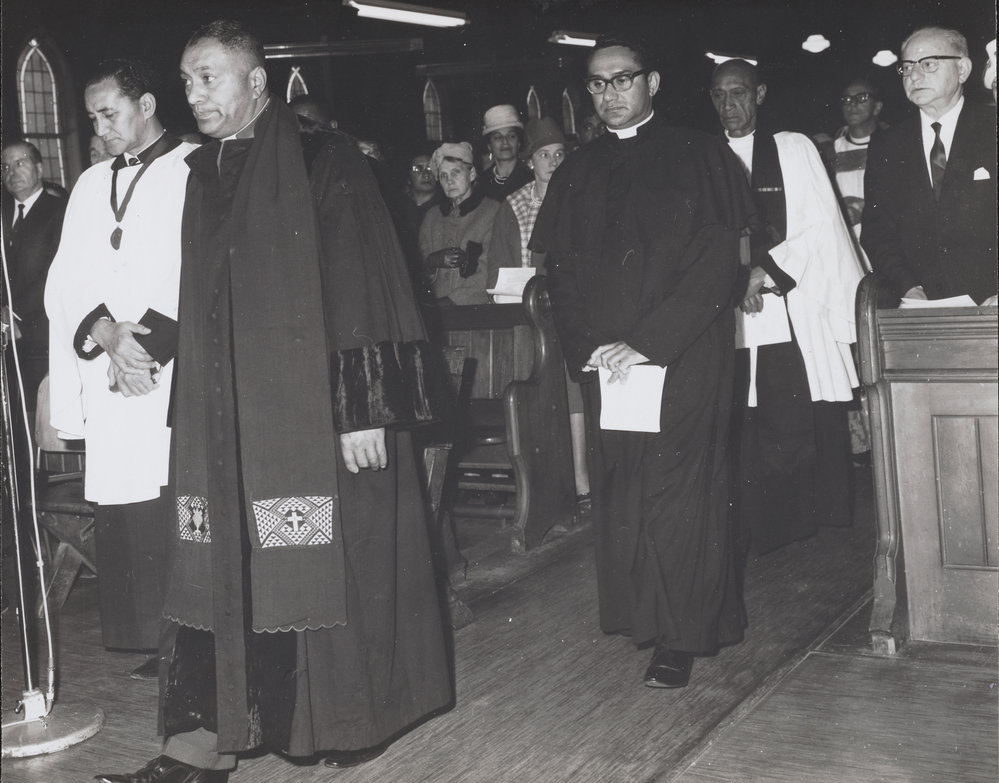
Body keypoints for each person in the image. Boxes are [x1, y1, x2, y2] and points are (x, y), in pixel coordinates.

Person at [96, 20, 451, 783]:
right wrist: (142, 346)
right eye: (187, 79)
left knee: (319, 561)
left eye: (210, 77)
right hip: (227, 416)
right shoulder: (202, 175)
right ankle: (202, 746)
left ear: (256, 82)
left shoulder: (329, 162)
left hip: (316, 411)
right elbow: (199, 287)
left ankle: (334, 721)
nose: (195, 93)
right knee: (218, 562)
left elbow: (363, 283)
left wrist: (362, 407)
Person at [531, 34, 751, 690]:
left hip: (681, 355)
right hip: (608, 362)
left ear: (651, 82)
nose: (608, 95)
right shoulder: (576, 170)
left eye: (621, 80)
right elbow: (560, 274)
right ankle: (641, 618)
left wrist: (649, 342)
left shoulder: (699, 153)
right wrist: (589, 345)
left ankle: (682, 636)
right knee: (623, 488)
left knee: (679, 493)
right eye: (597, 85)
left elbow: (717, 266)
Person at [45, 60, 195, 677]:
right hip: (109, 367)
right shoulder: (85, 185)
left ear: (148, 103)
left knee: (172, 501)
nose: (98, 129)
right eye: (92, 118)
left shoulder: (194, 168)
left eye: (110, 113)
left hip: (169, 368)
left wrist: (145, 351)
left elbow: (198, 269)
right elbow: (64, 279)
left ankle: (188, 639)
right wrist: (105, 334)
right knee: (124, 508)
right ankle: (148, 638)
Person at [709, 59, 865, 555]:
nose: (729, 105)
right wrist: (733, 279)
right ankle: (752, 527)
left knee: (786, 411)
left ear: (760, 94)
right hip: (726, 304)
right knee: (740, 417)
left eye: (739, 93)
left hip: (788, 300)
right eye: (719, 95)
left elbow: (819, 224)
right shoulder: (703, 155)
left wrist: (764, 272)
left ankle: (796, 523)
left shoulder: (791, 148)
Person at [862, 26, 997, 306]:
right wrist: (909, 289)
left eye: (928, 64)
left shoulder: (991, 128)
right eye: (907, 67)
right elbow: (878, 232)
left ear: (962, 70)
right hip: (918, 308)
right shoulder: (886, 145)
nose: (914, 75)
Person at [2, 141, 67, 407]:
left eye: (20, 163)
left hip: (41, 335)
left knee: (40, 418)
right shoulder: (3, 215)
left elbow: (55, 274)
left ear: (39, 169)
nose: (11, 172)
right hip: (6, 335)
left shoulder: (59, 212)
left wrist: (13, 314)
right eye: (5, 166)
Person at [420, 141, 498, 305]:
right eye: (443, 175)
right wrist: (431, 262)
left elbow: (490, 271)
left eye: (456, 173)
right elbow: (416, 271)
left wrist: (452, 302)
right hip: (437, 313)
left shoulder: (493, 212)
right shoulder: (431, 218)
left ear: (471, 175)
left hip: (476, 312)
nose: (449, 180)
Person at [830, 77, 885, 245]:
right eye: (846, 99)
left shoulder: (892, 146)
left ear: (877, 107)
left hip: (881, 240)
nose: (852, 104)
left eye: (862, 98)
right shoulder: (831, 150)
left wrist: (862, 209)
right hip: (843, 243)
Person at [480, 103, 533, 201]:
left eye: (511, 136)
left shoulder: (531, 179)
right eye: (497, 137)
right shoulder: (481, 183)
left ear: (518, 143)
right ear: (489, 146)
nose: (505, 142)